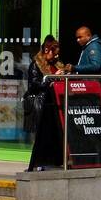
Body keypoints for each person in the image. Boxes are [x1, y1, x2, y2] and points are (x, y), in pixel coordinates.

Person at [26, 36, 67, 171]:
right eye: (54, 53)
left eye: (57, 54)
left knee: (55, 135)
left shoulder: (57, 64)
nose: (56, 56)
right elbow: (33, 85)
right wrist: (50, 79)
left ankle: (54, 161)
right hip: (42, 104)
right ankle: (37, 164)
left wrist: (63, 75)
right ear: (46, 50)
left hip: (55, 104)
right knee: (41, 137)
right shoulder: (35, 65)